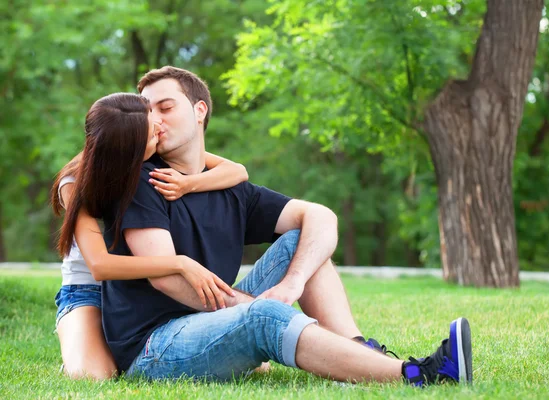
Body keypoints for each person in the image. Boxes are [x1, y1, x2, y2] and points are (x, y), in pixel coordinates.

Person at [101, 66, 473, 386]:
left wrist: (290, 285)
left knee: (305, 242)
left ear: (200, 111)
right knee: (266, 316)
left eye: (166, 107)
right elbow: (167, 277)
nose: (156, 120)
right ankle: (418, 375)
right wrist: (260, 308)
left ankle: (357, 347)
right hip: (156, 347)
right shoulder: (142, 181)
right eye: (148, 113)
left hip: (209, 321)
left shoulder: (231, 188)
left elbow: (320, 216)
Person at [51, 92, 250, 380]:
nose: (159, 128)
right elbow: (100, 265)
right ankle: (75, 335)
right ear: (130, 150)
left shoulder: (153, 150)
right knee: (95, 376)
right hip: (89, 292)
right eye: (151, 133)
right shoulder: (76, 183)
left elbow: (237, 170)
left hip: (139, 294)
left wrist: (188, 183)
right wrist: (180, 263)